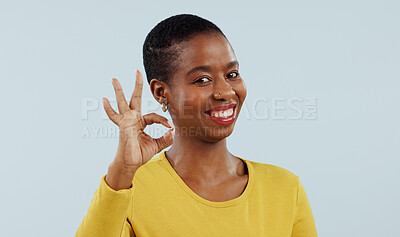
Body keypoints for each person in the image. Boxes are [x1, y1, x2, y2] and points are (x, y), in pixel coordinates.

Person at [75, 14, 318, 237]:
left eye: (232, 74)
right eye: (203, 79)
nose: (226, 91)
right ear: (161, 92)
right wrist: (122, 172)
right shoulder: (128, 190)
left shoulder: (285, 189)